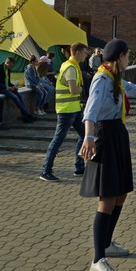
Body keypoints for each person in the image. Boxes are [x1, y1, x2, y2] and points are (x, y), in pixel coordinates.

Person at [78, 39, 133, 271]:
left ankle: (108, 243)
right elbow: (90, 110)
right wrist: (88, 137)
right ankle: (98, 258)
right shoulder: (101, 79)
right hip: (105, 136)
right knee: (108, 197)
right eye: (127, 56)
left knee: (120, 193)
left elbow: (132, 88)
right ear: (119, 57)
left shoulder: (115, 78)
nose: (129, 60)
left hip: (117, 133)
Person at [40, 42, 90, 182]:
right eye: (85, 53)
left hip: (73, 109)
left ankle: (79, 168)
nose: (87, 56)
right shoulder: (71, 68)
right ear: (78, 53)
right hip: (67, 110)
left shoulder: (69, 65)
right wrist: (82, 89)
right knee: (58, 141)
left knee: (84, 136)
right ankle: (46, 170)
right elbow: (74, 90)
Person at [0, 56, 36, 123]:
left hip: (6, 88)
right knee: (15, 97)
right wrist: (8, 88)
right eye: (11, 65)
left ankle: (25, 116)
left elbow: (8, 82)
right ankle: (27, 115)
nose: (11, 67)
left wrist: (13, 86)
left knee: (20, 96)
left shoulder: (8, 69)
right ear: (7, 63)